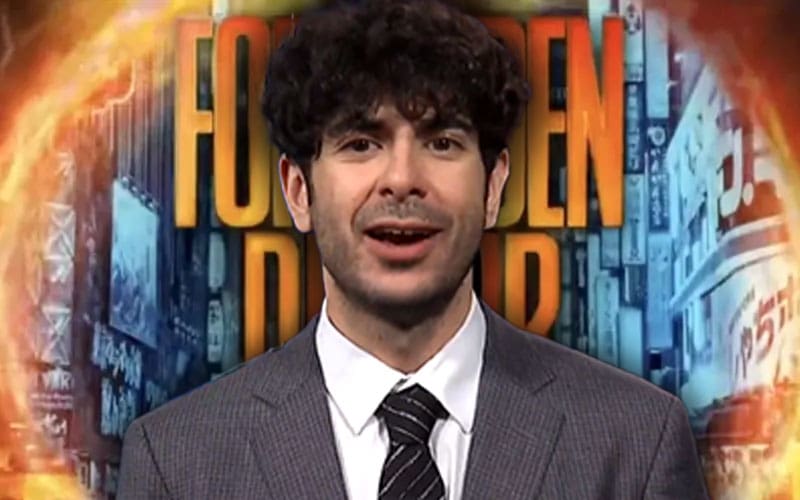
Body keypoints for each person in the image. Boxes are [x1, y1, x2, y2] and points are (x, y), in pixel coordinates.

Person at [118, 0, 709, 498]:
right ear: (298, 191)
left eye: (442, 142)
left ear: (493, 188)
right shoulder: (176, 461)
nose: (402, 180)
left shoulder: (636, 442)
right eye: (360, 143)